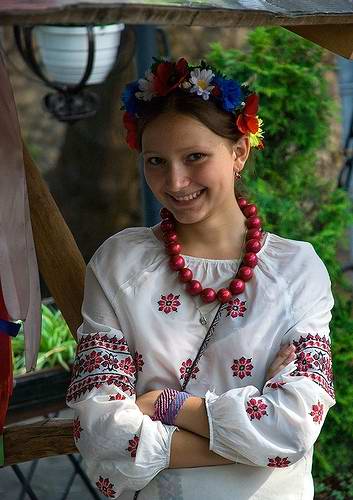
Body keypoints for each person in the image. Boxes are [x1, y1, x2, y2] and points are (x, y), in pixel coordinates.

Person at [66, 58, 335, 500]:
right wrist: (249, 441)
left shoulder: (295, 270)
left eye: (195, 157)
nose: (175, 181)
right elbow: (100, 431)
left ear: (239, 153)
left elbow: (292, 429)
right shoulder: (120, 264)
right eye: (156, 161)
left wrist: (163, 405)